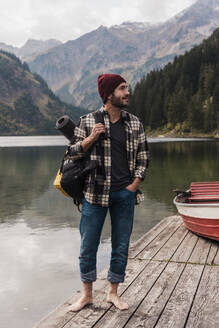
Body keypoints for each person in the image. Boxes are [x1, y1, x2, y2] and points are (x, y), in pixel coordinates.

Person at [68, 73, 149, 312]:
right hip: (94, 194)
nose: (127, 93)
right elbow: (72, 152)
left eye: (127, 88)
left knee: (121, 245)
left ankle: (113, 293)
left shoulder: (135, 123)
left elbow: (143, 157)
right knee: (87, 246)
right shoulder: (87, 121)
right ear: (109, 94)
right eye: (122, 88)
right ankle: (87, 296)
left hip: (124, 194)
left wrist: (134, 184)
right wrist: (91, 138)